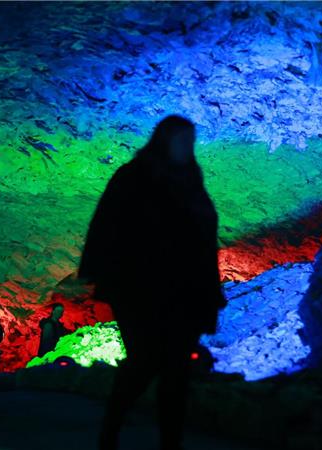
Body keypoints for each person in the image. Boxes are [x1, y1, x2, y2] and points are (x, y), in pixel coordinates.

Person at [79, 115, 227, 450]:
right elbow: (108, 230)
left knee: (176, 368)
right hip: (141, 291)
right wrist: (112, 279)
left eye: (191, 141)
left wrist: (207, 290)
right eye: (181, 141)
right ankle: (111, 431)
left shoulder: (191, 180)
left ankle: (169, 442)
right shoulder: (133, 178)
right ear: (163, 141)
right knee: (145, 362)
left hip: (184, 292)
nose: (187, 148)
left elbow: (202, 240)